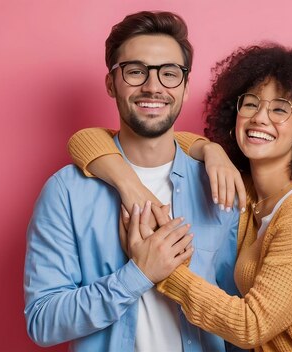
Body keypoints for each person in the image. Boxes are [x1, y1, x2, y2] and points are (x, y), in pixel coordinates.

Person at [68, 43, 292, 351]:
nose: (260, 118)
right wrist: (206, 150)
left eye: (280, 109)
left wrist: (159, 269)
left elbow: (249, 326)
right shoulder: (245, 194)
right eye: (251, 104)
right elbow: (90, 139)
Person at [24, 11, 247, 352]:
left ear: (186, 88)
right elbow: (42, 321)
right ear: (111, 83)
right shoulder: (66, 192)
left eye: (169, 73)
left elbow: (237, 316)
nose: (153, 86)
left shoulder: (220, 185)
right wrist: (138, 275)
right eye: (135, 71)